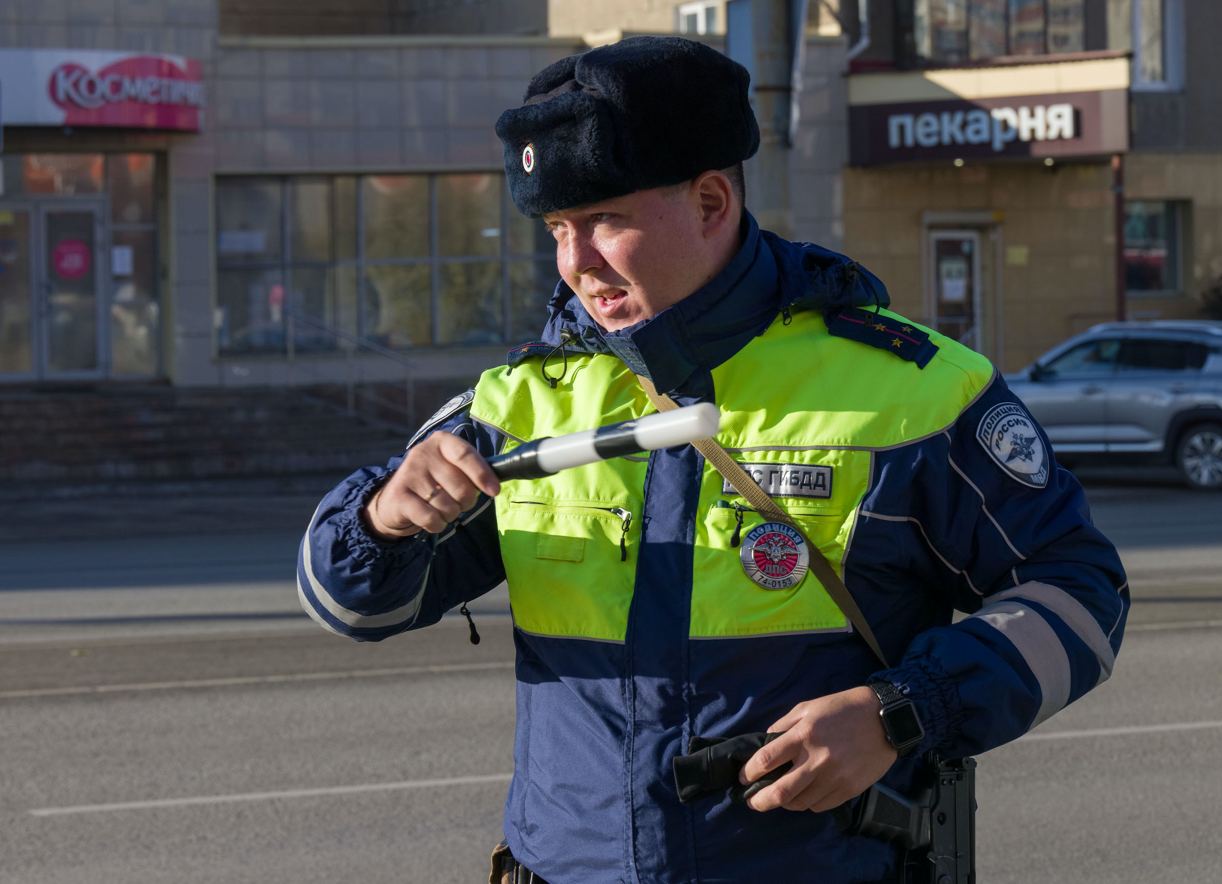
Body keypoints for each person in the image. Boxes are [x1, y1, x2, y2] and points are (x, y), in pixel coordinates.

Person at [298, 35, 1129, 884]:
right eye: (557, 228)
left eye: (605, 221)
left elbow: (1081, 598)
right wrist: (381, 520)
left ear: (709, 200)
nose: (575, 264)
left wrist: (899, 714)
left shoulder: (913, 393)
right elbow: (350, 607)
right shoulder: (519, 403)